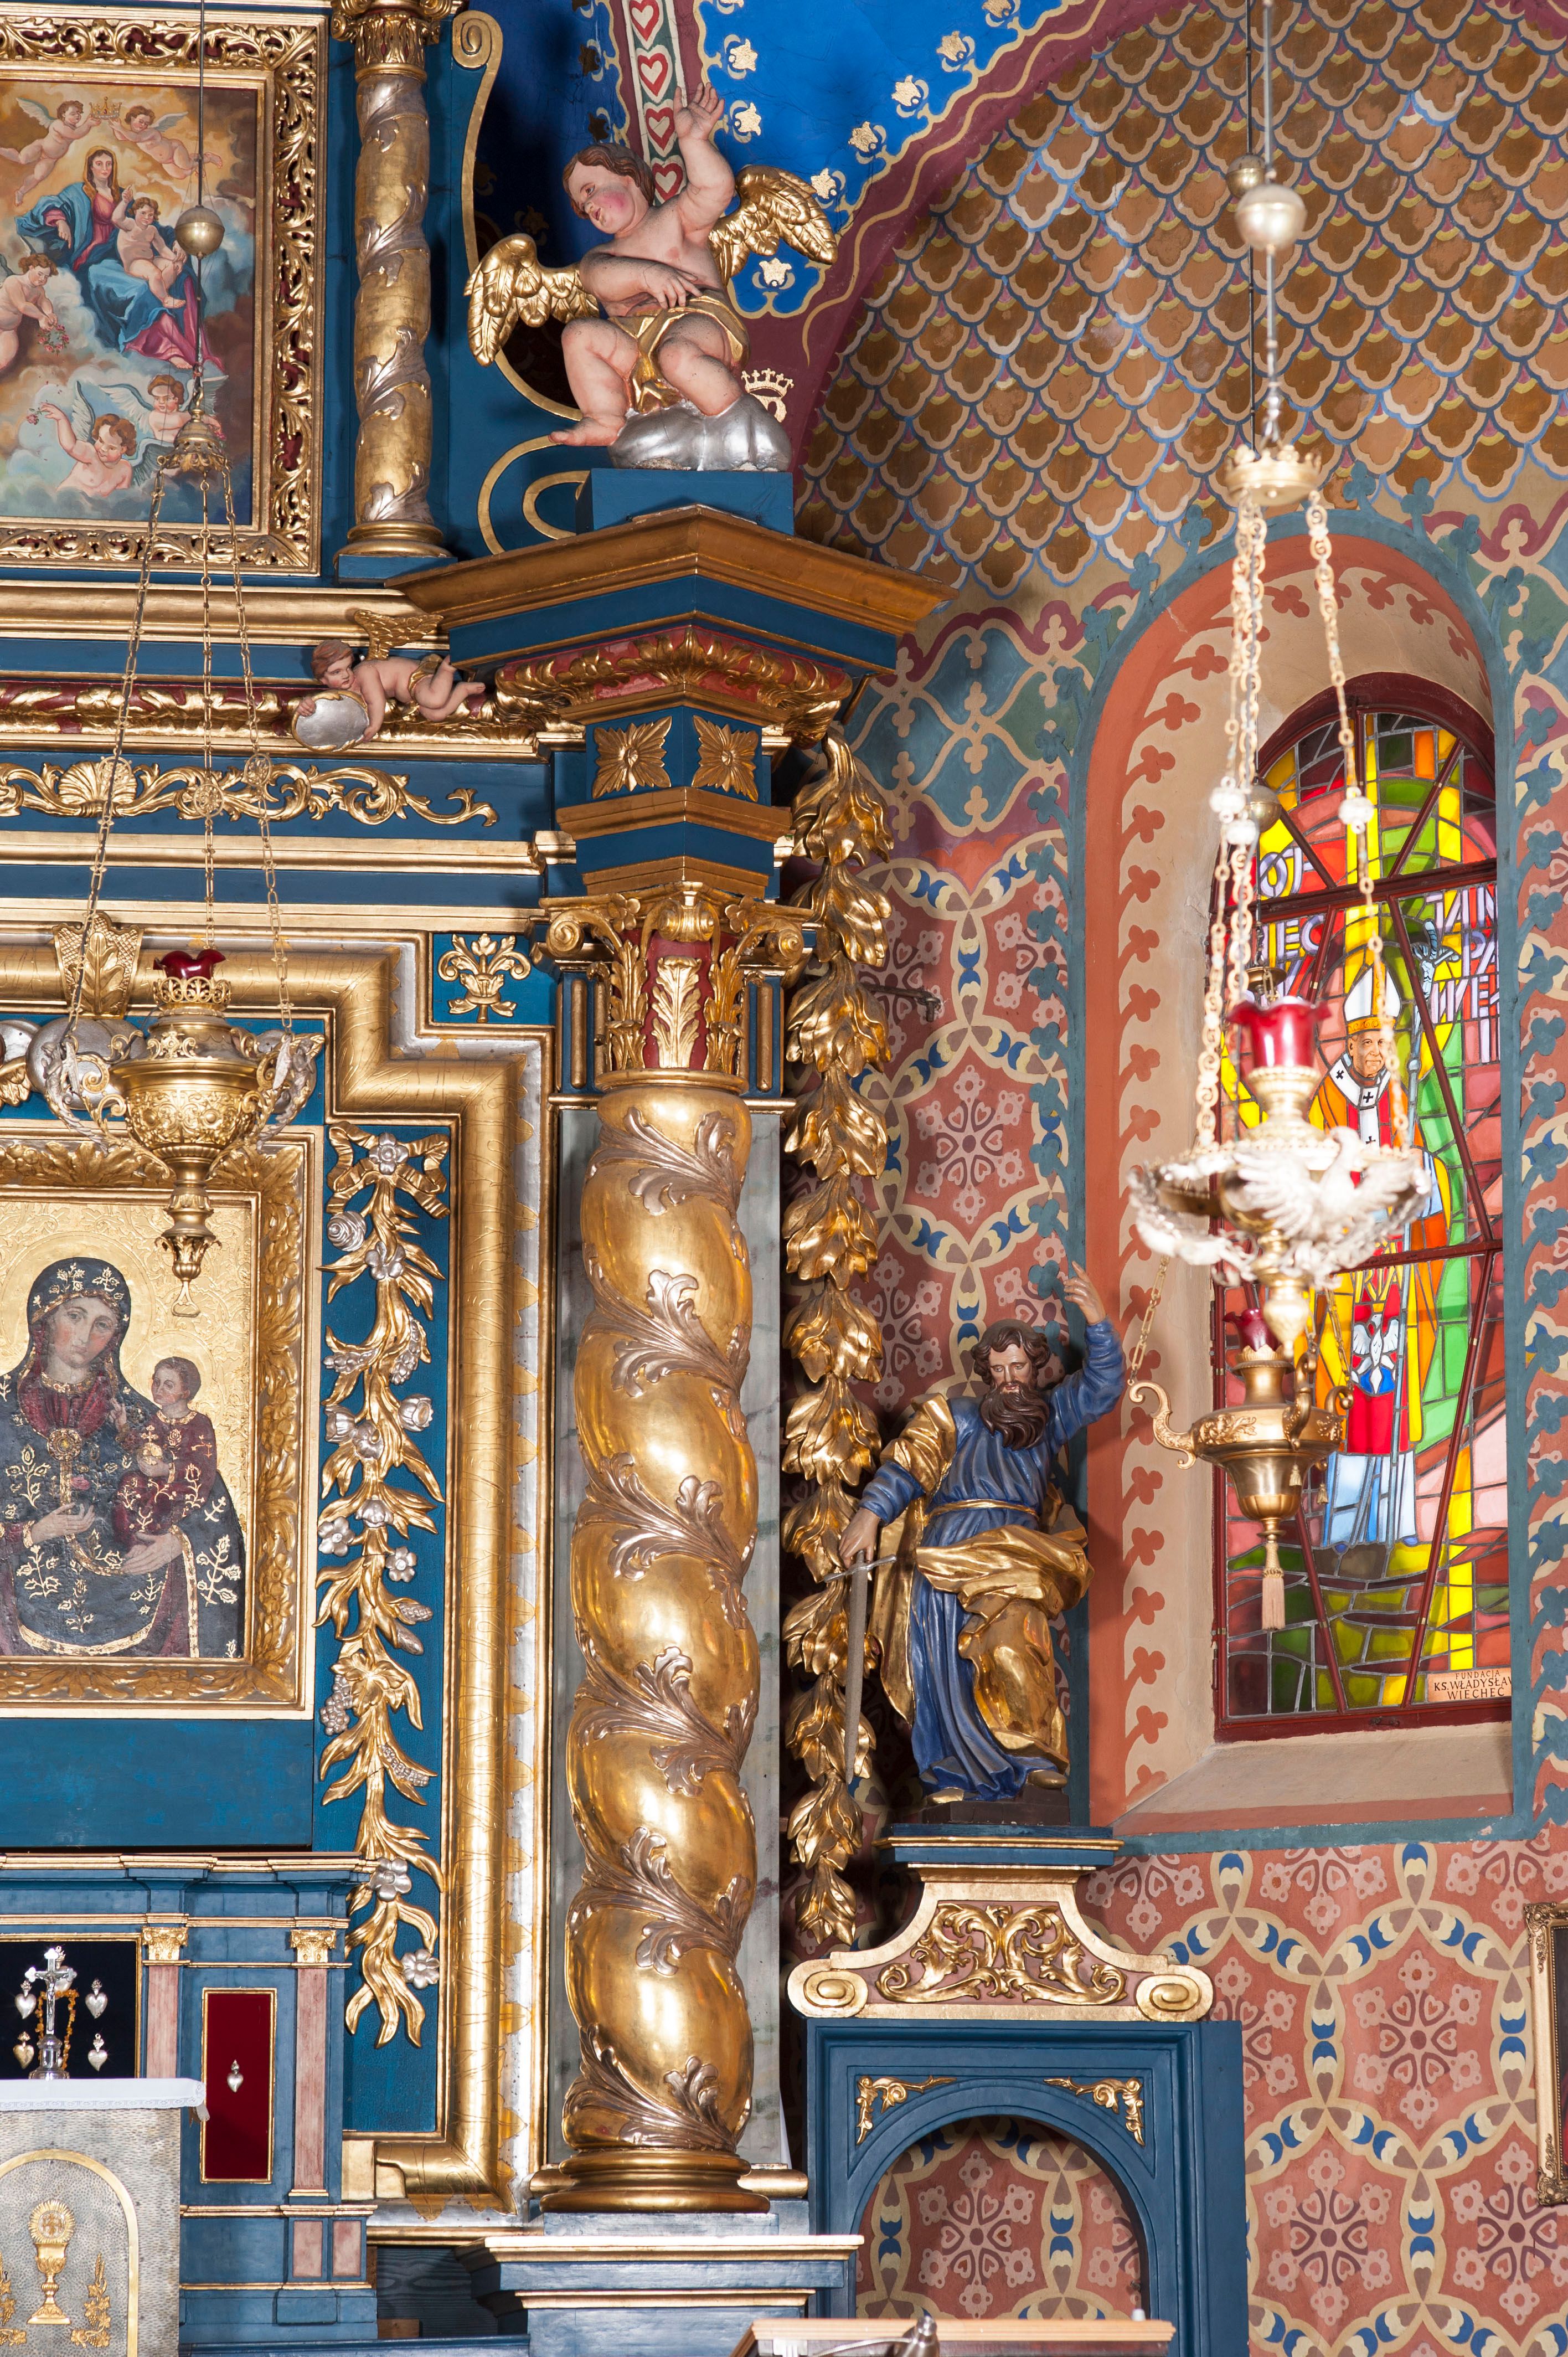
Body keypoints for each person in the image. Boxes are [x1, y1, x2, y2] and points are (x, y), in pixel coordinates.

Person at [839, 1269, 1125, 1802]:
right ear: (987, 1374)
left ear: (1036, 1369)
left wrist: (1099, 1323)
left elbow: (1102, 1387)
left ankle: (1031, 1757)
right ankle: (954, 1773)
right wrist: (871, 1514)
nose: (1009, 1380)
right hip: (947, 1553)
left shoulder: (1048, 1418)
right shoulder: (959, 1416)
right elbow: (910, 1464)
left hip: (1016, 1551)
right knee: (944, 1664)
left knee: (1018, 1641)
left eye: (1019, 1367)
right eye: (998, 1370)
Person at [0, 1257, 244, 1659]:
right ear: (45, 1318)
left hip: (138, 1606)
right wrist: (32, 1533)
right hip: (16, 1622)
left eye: (102, 1324)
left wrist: (177, 1543)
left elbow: (211, 1502)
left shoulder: (143, 1419)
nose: (85, 1336)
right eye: (74, 1316)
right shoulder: (4, 1407)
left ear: (116, 1336)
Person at [552, 81, 749, 449]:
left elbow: (715, 190)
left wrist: (693, 141)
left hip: (696, 319)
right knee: (578, 335)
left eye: (591, 190)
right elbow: (600, 280)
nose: (589, 206)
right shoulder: (601, 257)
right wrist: (648, 274)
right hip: (636, 345)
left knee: (677, 355)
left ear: (628, 177)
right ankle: (606, 418)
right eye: (582, 204)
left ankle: (735, 420)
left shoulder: (675, 218)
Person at [111, 1357, 216, 1543]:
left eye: (168, 1385)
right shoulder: (155, 1419)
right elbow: (141, 1445)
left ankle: (154, 1539)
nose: (159, 1389)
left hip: (183, 1486)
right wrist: (124, 1428)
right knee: (129, 1483)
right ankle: (133, 1542)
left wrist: (167, 1469)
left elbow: (203, 1465)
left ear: (186, 1391)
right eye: (156, 1382)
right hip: (152, 1481)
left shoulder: (199, 1423)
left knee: (161, 1497)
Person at [303, 641, 484, 741]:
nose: (346, 675)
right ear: (323, 680)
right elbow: (327, 704)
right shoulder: (346, 693)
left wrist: (374, 726)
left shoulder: (364, 673)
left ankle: (447, 668)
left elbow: (376, 700)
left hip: (417, 678)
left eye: (348, 668)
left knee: (434, 701)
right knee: (436, 715)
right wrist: (309, 706)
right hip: (413, 697)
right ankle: (462, 690)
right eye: (337, 672)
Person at [1, 97, 92, 207]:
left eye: (78, 113)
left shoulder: (76, 128)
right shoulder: (59, 124)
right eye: (73, 113)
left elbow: (79, 132)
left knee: (39, 176)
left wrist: (89, 123)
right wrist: (88, 124)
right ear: (64, 115)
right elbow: (76, 134)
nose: (77, 115)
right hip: (41, 147)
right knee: (22, 159)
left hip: (51, 159)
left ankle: (21, 192)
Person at [35, 400, 137, 497]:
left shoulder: (125, 469)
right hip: (64, 502)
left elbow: (121, 498)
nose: (103, 449)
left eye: (111, 448)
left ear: (123, 449)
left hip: (91, 509)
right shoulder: (91, 454)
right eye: (101, 441)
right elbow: (71, 446)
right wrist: (62, 419)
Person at [115, 194, 182, 307]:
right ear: (135, 212)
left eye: (150, 215)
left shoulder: (152, 230)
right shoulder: (130, 225)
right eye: (143, 213)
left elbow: (162, 249)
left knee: (172, 266)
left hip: (150, 260)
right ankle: (165, 299)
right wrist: (125, 202)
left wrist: (177, 260)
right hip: (134, 264)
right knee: (155, 273)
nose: (147, 217)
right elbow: (117, 219)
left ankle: (158, 291)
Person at [0, 254, 59, 373]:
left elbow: (44, 301)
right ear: (31, 268)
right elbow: (22, 306)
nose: (43, 279)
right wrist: (41, 317)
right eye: (40, 274)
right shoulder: (14, 281)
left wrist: (50, 314)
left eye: (46, 277)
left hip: (9, 330)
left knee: (4, 360)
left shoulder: (39, 290)